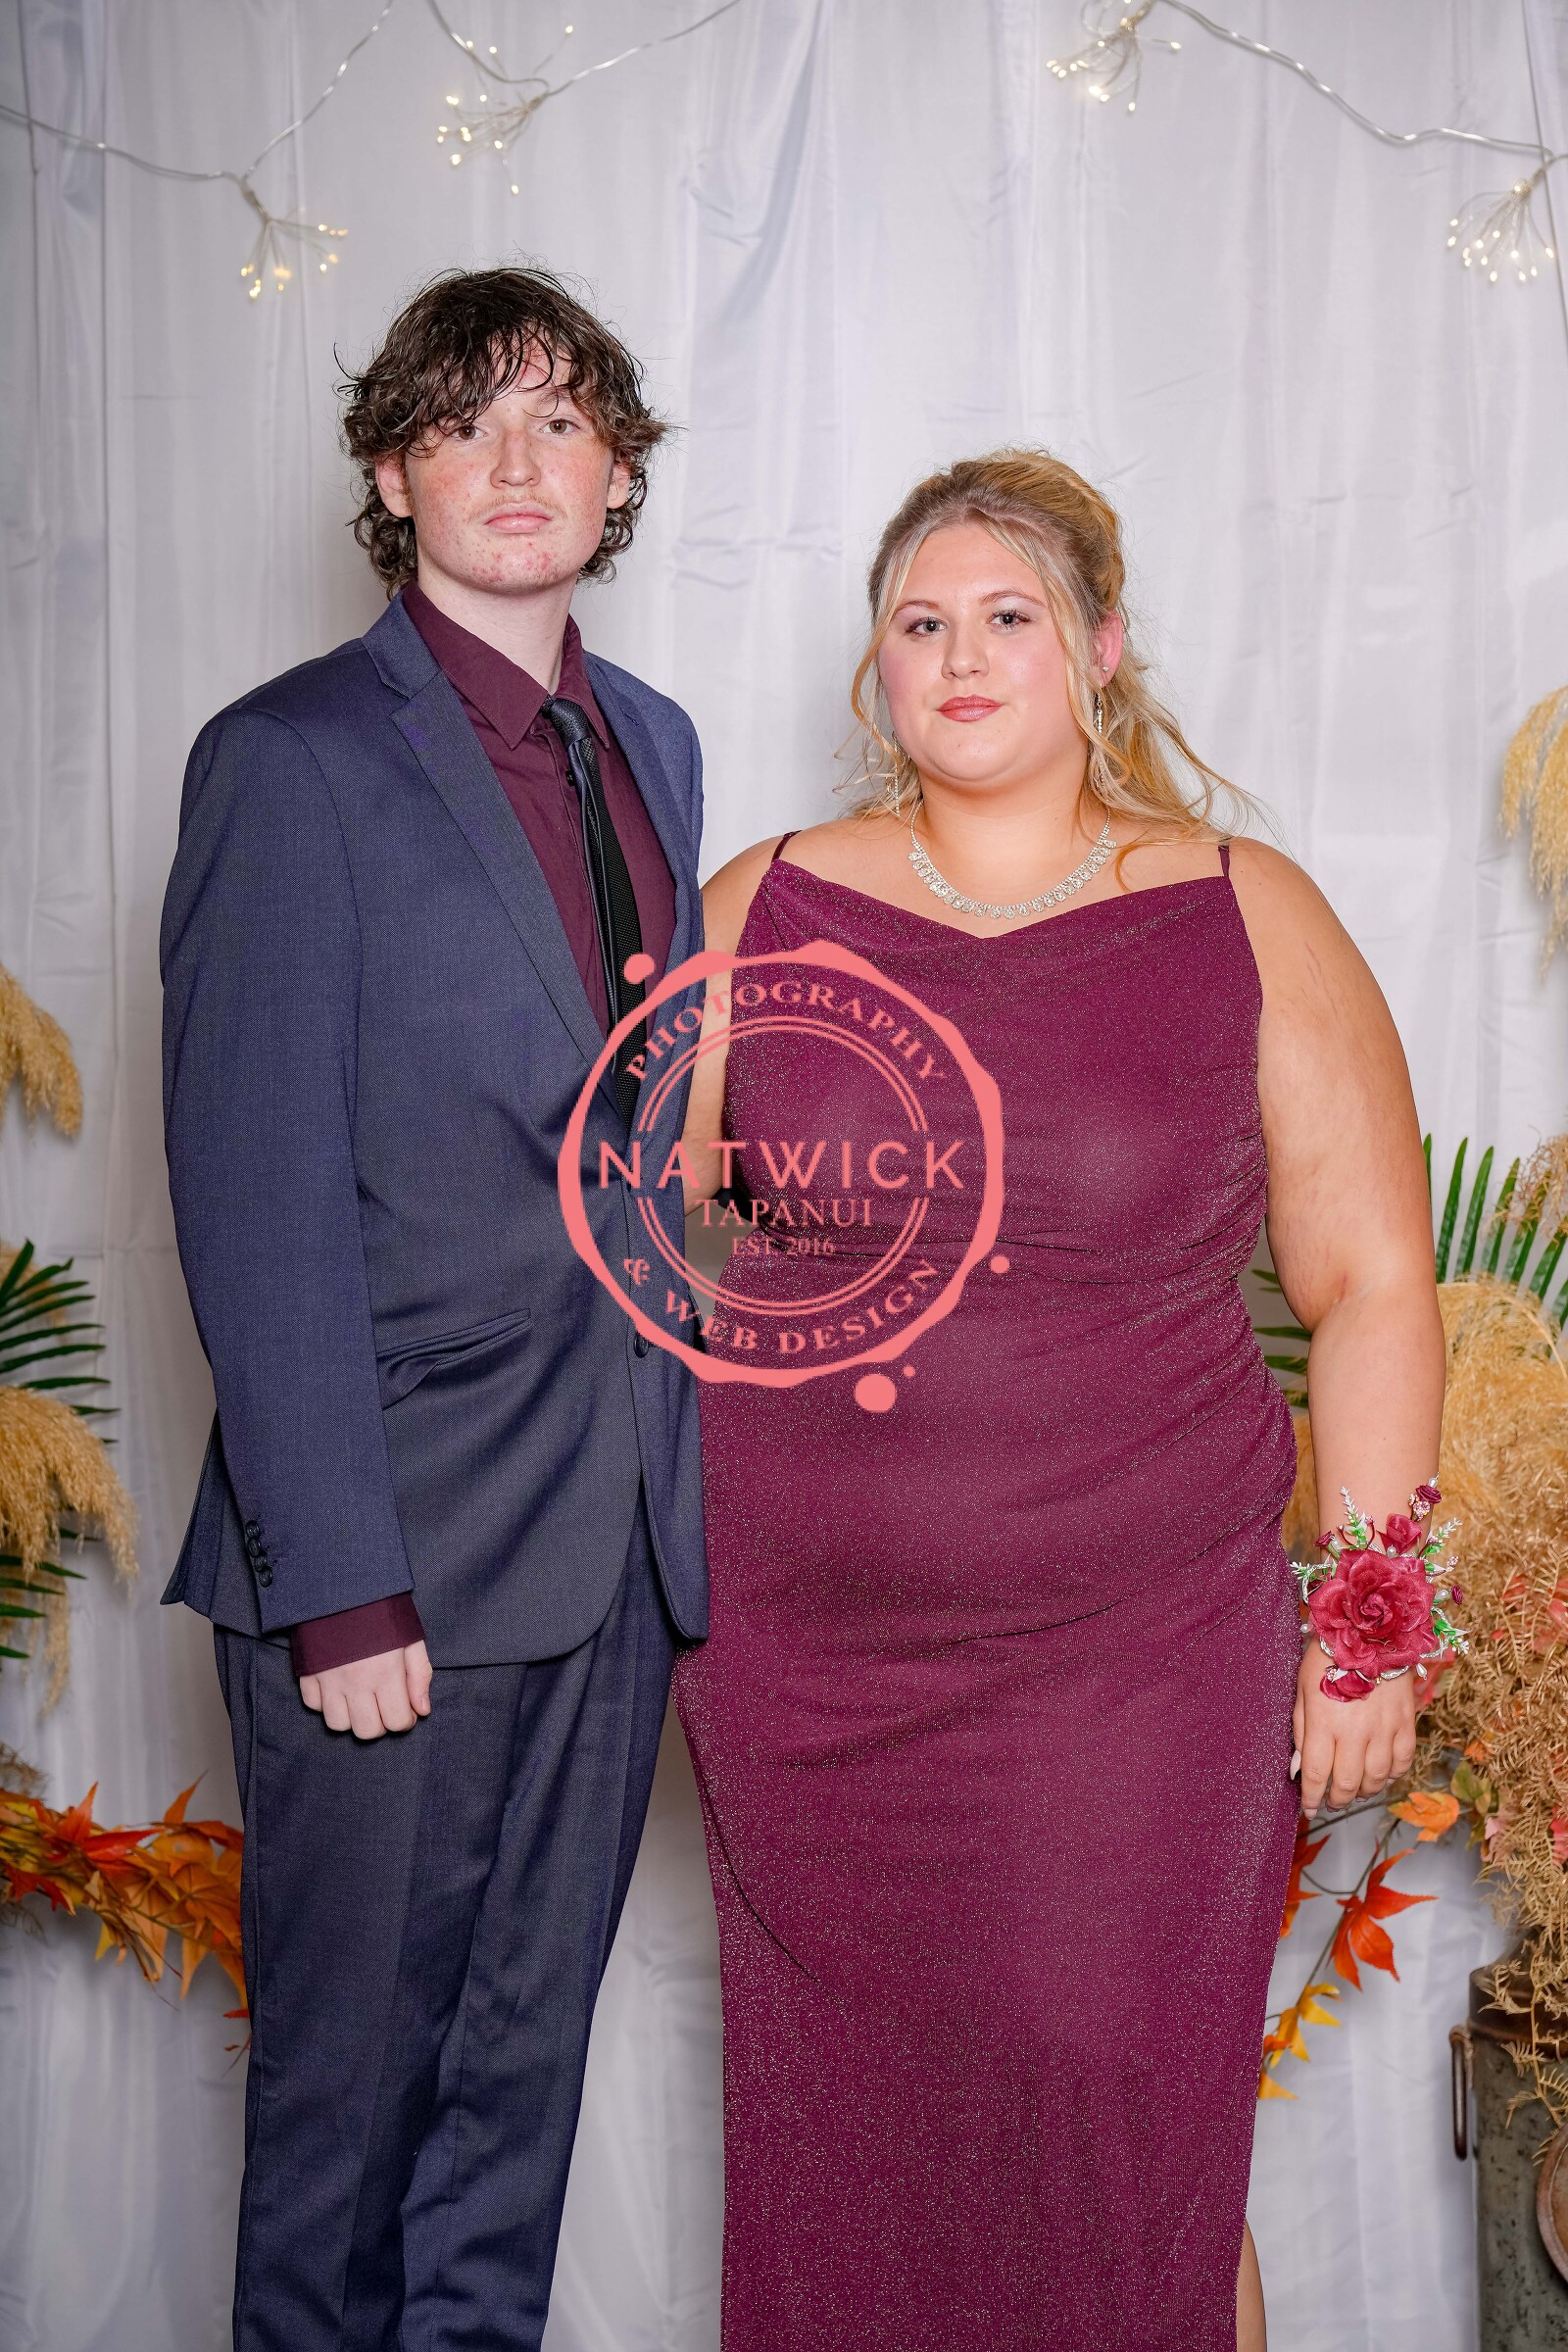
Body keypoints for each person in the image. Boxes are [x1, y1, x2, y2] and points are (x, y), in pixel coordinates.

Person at [674, 450, 1443, 2351]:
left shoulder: (1240, 911)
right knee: (853, 2166)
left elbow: (1369, 1287)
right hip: (808, 1685)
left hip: (1135, 1675)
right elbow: (625, 1243)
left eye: (1005, 616)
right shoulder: (761, 906)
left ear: (1098, 648)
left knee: (1125, 2147)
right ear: (874, 667)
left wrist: (1369, 1632)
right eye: (919, 622)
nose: (958, 657)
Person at [160, 267, 707, 2352]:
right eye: (463, 421)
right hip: (392, 1559)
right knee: (346, 2143)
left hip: (615, 1548)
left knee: (512, 2126)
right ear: (392, 473)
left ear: (617, 473)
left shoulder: (652, 744)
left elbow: (641, 1138)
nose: (515, 461)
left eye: (559, 420)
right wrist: (338, 1586)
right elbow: (254, 1194)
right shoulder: (287, 760)